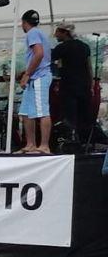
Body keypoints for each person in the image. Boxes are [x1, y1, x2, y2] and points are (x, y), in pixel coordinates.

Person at [17, 10, 53, 154]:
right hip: (34, 77)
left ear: (24, 22)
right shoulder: (39, 33)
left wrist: (27, 74)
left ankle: (44, 145)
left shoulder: (32, 33)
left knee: (42, 111)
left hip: (39, 76)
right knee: (26, 111)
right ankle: (30, 144)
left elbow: (39, 53)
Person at [51, 20, 93, 143]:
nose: (55, 35)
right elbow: (89, 67)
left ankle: (70, 142)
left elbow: (49, 63)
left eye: (57, 32)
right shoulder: (84, 46)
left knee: (69, 117)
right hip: (84, 87)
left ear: (65, 32)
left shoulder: (61, 48)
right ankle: (84, 143)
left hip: (68, 88)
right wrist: (90, 85)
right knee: (83, 117)